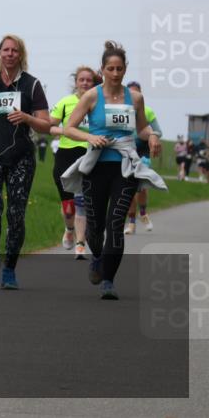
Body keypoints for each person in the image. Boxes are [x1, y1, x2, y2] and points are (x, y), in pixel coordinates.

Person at [60, 42, 166, 300]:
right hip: (96, 167)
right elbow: (69, 128)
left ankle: (108, 280)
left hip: (124, 166)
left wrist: (151, 135)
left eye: (120, 68)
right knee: (95, 227)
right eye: (111, 68)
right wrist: (89, 137)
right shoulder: (92, 96)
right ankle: (97, 257)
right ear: (103, 69)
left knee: (115, 223)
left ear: (125, 68)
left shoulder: (136, 98)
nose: (116, 73)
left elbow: (141, 128)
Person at [0, 35, 52, 289]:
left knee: (16, 215)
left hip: (21, 159)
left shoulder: (32, 85)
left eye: (15, 50)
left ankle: (10, 270)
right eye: (6, 49)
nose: (10, 54)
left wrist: (26, 117)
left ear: (21, 55)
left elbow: (46, 126)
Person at [48, 66, 97, 259]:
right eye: (81, 80)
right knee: (68, 205)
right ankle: (69, 229)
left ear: (93, 83)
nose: (85, 83)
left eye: (89, 80)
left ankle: (80, 243)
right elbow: (50, 127)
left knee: (83, 201)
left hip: (90, 155)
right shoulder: (65, 102)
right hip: (66, 155)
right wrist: (67, 130)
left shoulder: (98, 103)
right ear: (76, 82)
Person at [124, 81, 162, 234]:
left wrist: (153, 136)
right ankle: (132, 222)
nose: (134, 96)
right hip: (126, 151)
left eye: (136, 93)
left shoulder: (148, 111)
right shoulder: (120, 110)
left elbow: (158, 131)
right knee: (129, 189)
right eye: (130, 93)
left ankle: (143, 213)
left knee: (141, 187)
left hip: (143, 152)